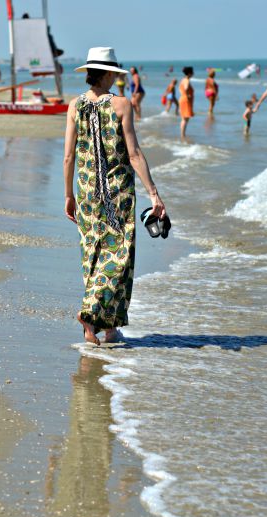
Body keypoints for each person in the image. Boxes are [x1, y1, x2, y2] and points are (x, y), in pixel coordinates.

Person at [64, 47, 167, 345]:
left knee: (93, 255)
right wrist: (154, 193)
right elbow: (133, 154)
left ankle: (106, 329)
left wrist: (67, 194)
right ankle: (89, 313)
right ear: (108, 73)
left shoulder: (75, 105)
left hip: (85, 193)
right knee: (119, 256)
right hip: (117, 193)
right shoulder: (122, 104)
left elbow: (68, 155)